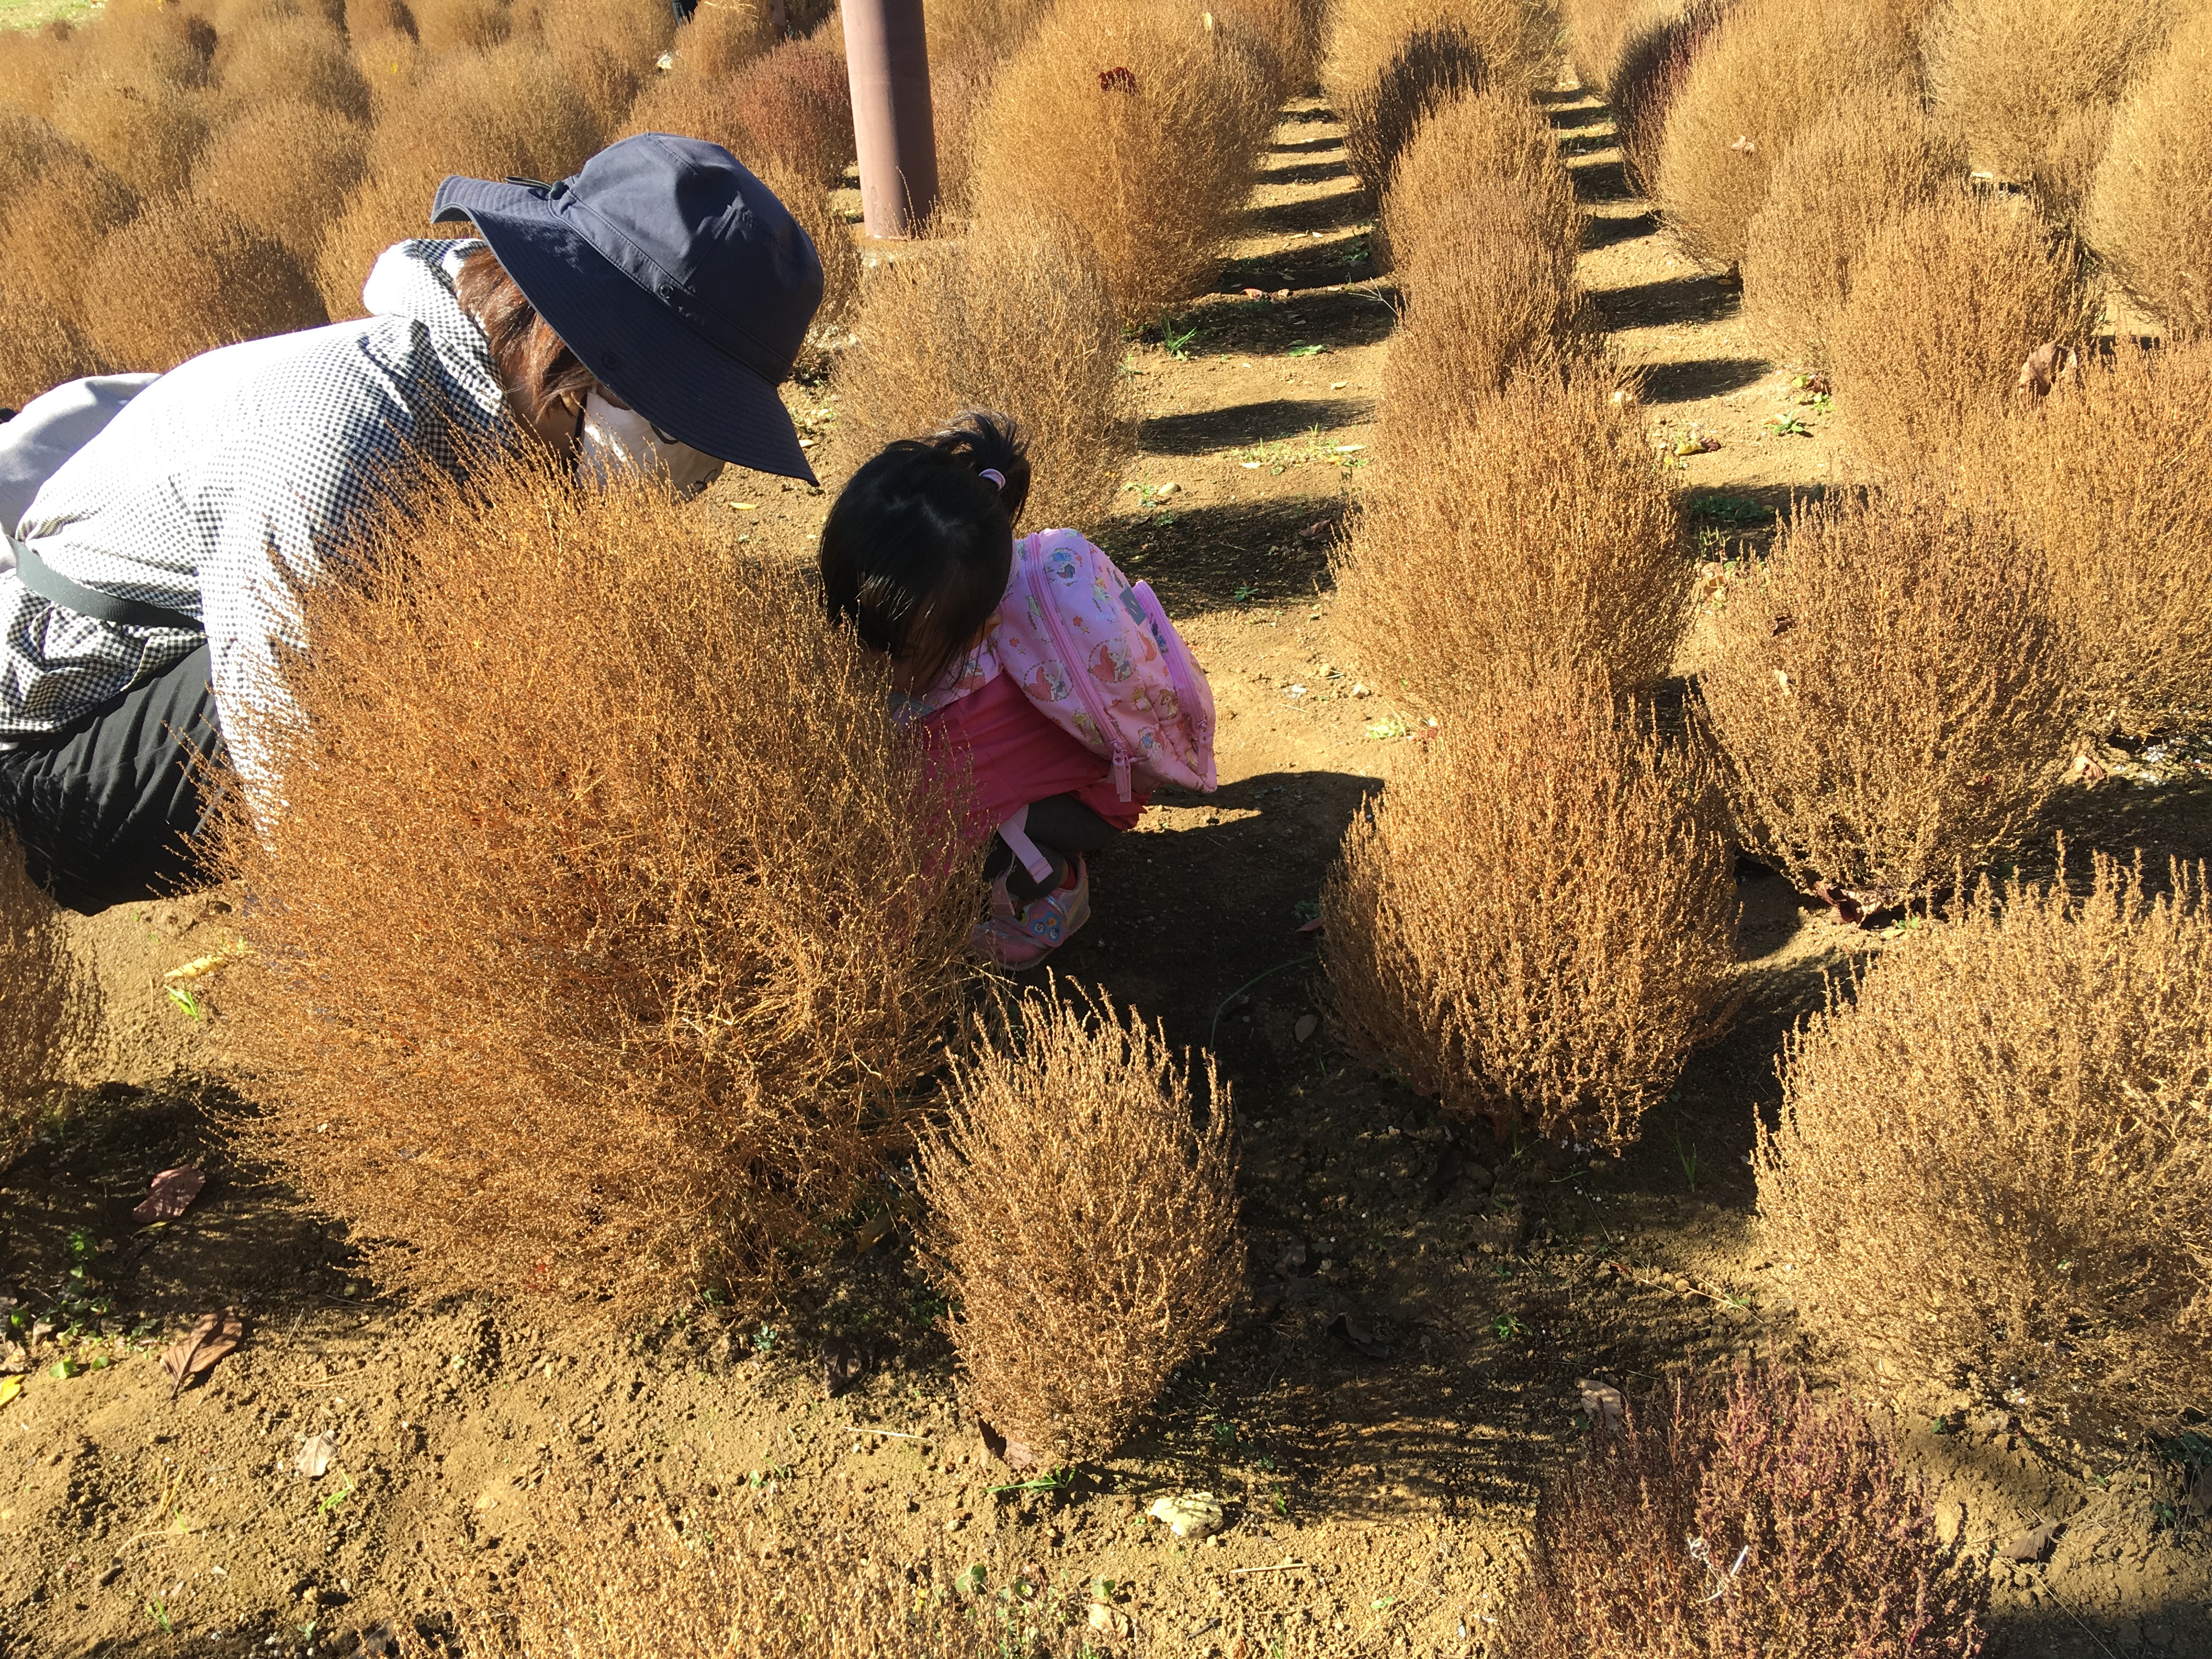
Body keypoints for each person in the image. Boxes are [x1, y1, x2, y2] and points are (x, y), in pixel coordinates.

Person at [0, 133, 825, 913]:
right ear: (580, 364)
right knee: (431, 673)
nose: (690, 480)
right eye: (686, 431)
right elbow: (297, 789)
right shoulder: (353, 452)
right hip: (55, 756)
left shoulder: (502, 400)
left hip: (213, 652)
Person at [817, 414, 1153, 969]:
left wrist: (858, 956)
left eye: (892, 650)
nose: (863, 658)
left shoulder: (964, 740)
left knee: (969, 843)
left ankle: (1054, 888)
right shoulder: (959, 611)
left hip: (1094, 801)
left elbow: (918, 862)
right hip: (1055, 765)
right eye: (851, 629)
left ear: (979, 633)